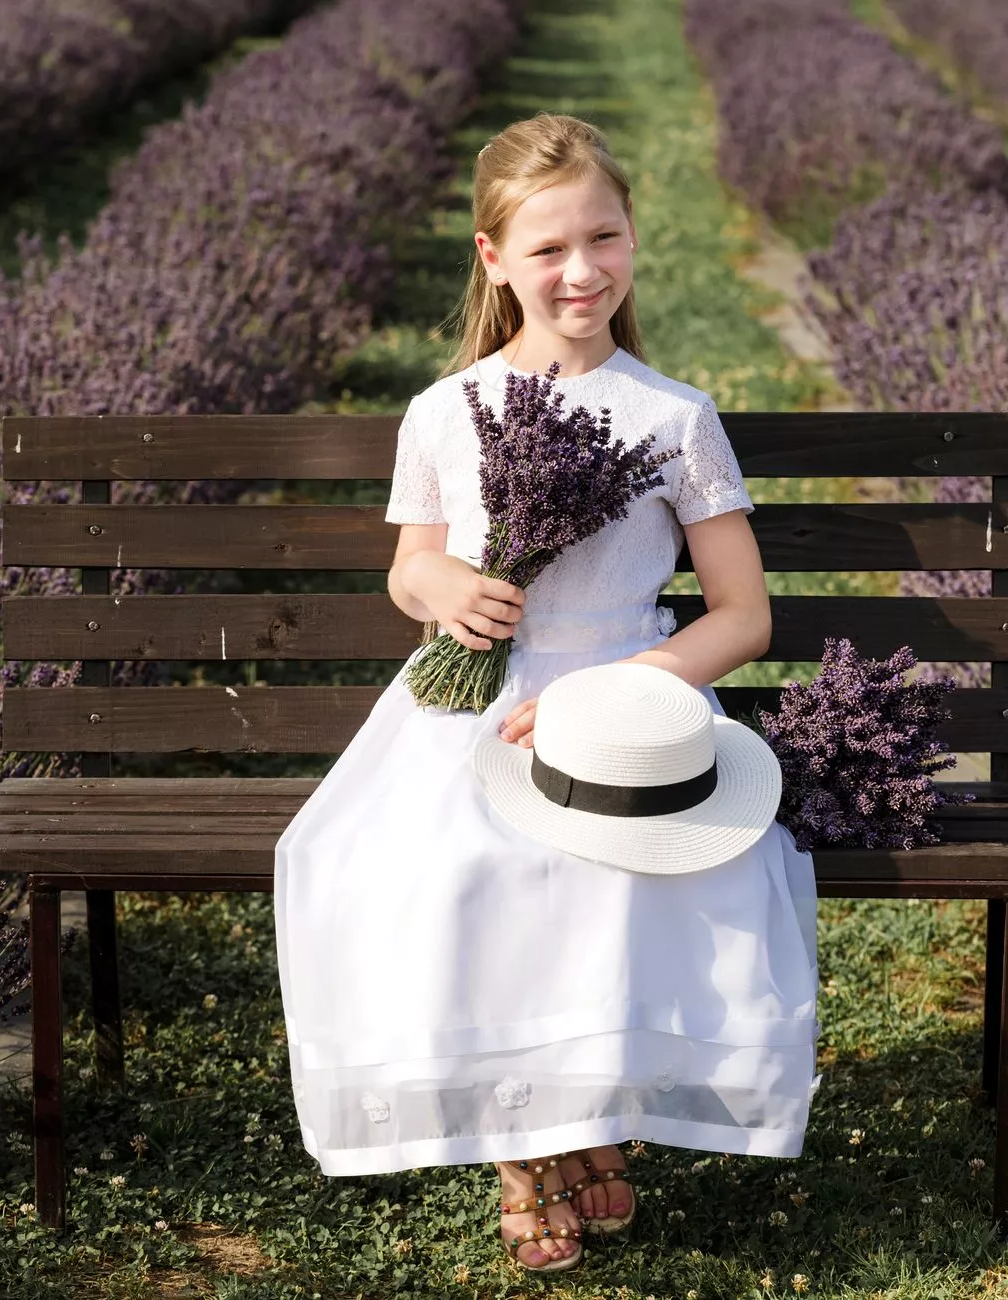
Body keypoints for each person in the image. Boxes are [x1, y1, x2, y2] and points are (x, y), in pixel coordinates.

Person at [273, 111, 820, 1275]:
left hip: (625, 701)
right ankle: (527, 1146)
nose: (582, 271)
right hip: (468, 704)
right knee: (462, 860)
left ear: (632, 240)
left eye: (604, 238)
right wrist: (446, 589)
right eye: (548, 249)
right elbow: (410, 563)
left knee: (631, 866)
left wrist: (625, 698)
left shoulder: (671, 416)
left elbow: (740, 613)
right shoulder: (445, 410)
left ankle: (588, 1115)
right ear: (492, 259)